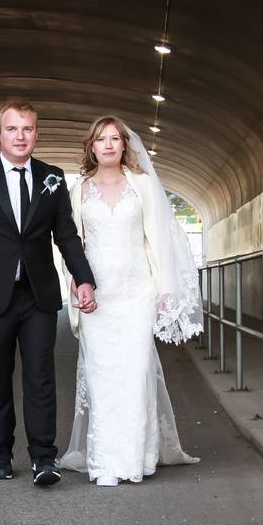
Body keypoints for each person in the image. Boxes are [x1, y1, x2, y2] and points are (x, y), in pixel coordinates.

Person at [0, 99, 97, 486]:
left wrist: (83, 278)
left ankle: (43, 458)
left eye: (27, 128)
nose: (20, 136)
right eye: (12, 129)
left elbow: (65, 234)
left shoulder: (52, 177)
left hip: (38, 295)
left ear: (37, 133)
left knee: (41, 377)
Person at [59, 116, 202, 486]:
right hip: (97, 297)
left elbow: (160, 238)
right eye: (101, 139)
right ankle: (106, 462)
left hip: (138, 291)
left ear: (125, 145)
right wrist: (75, 283)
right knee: (102, 377)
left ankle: (139, 457)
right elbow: (70, 245)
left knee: (137, 373)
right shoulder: (79, 189)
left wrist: (165, 290)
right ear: (91, 146)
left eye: (115, 138)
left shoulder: (142, 185)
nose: (108, 145)